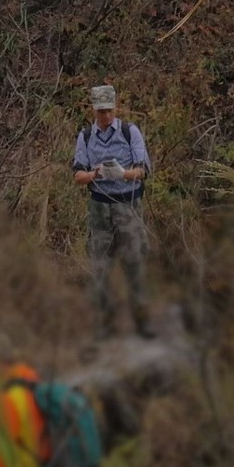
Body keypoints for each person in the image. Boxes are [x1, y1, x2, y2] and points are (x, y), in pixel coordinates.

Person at [72, 83, 153, 339]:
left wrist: (124, 173)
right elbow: (77, 175)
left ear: (115, 108)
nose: (105, 116)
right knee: (101, 267)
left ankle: (142, 324)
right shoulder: (86, 136)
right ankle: (105, 326)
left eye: (108, 110)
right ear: (93, 111)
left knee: (134, 264)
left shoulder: (130, 132)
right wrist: (94, 173)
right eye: (100, 111)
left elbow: (144, 171)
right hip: (99, 207)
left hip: (127, 203)